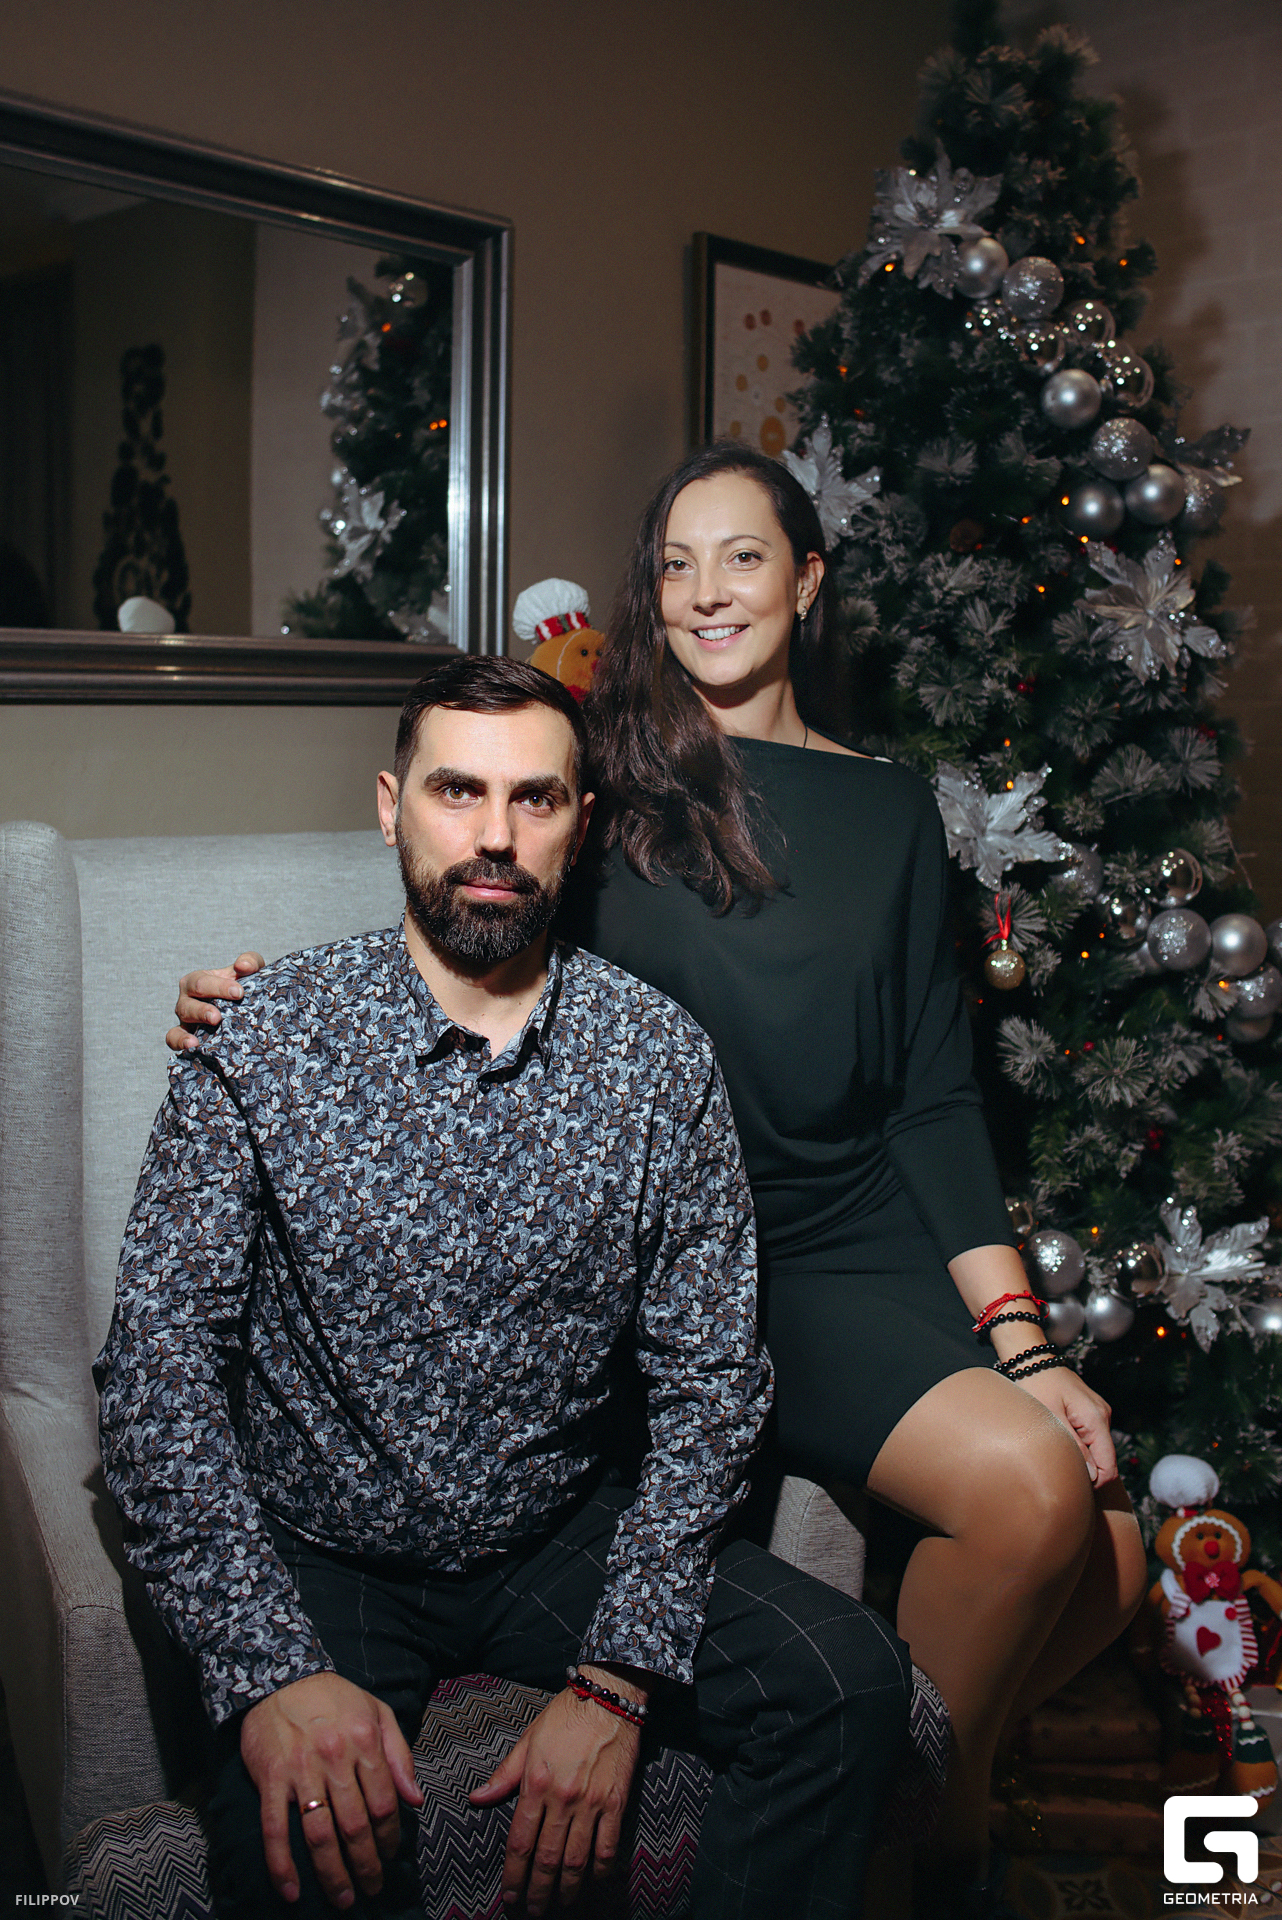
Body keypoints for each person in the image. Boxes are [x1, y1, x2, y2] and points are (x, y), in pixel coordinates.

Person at [170, 447, 1149, 1915]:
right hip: (716, 1240)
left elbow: (933, 1094)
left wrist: (1023, 1340)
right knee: (1028, 1496)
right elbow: (465, 909)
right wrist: (252, 1003)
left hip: (866, 1226)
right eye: (675, 564)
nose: (706, 593)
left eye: (742, 556)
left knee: (1117, 1549)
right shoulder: (605, 777)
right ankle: (934, 1851)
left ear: (806, 580)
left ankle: (901, 1805)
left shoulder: (891, 809)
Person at [106, 655, 910, 1920]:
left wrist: (616, 1682)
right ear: (392, 807)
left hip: (555, 1530)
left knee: (850, 1681)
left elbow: (711, 1383)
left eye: (534, 798)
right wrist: (271, 1675)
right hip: (325, 1544)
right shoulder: (261, 1039)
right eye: (457, 791)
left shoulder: (656, 1062)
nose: (494, 835)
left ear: (579, 824)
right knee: (303, 1854)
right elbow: (156, 1379)